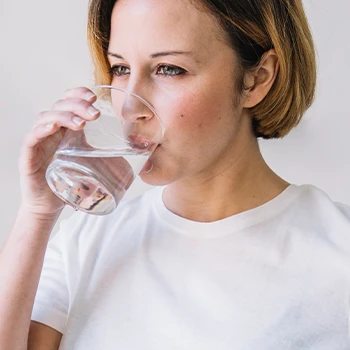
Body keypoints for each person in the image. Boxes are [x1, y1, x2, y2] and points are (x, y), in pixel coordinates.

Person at [1, 0, 350, 349]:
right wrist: (38, 213)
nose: (129, 107)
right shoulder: (86, 237)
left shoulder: (337, 250)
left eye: (168, 69)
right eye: (120, 68)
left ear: (257, 79)